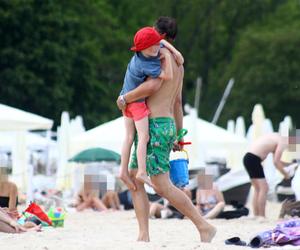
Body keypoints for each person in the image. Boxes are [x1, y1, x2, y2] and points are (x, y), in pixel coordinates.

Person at [116, 16, 216, 243]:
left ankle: (204, 226)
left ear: (156, 34)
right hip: (168, 123)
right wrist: (179, 134)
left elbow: (151, 85)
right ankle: (143, 234)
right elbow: (178, 102)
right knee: (135, 177)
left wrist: (124, 98)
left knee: (161, 184)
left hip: (155, 125)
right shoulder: (179, 63)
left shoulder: (159, 58)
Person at [119, 26, 184, 189]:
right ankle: (141, 171)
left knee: (128, 137)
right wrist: (167, 58)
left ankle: (122, 172)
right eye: (154, 45)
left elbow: (160, 41)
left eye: (158, 44)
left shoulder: (141, 55)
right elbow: (167, 76)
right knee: (144, 137)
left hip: (125, 98)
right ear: (144, 48)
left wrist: (172, 50)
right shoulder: (147, 64)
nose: (157, 48)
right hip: (137, 103)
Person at [243, 132, 290, 217]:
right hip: (254, 159)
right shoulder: (283, 142)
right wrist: (285, 174)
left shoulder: (275, 136)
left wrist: (288, 165)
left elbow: (277, 161)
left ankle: (256, 214)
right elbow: (276, 162)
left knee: (257, 189)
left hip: (248, 158)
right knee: (264, 188)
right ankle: (262, 215)